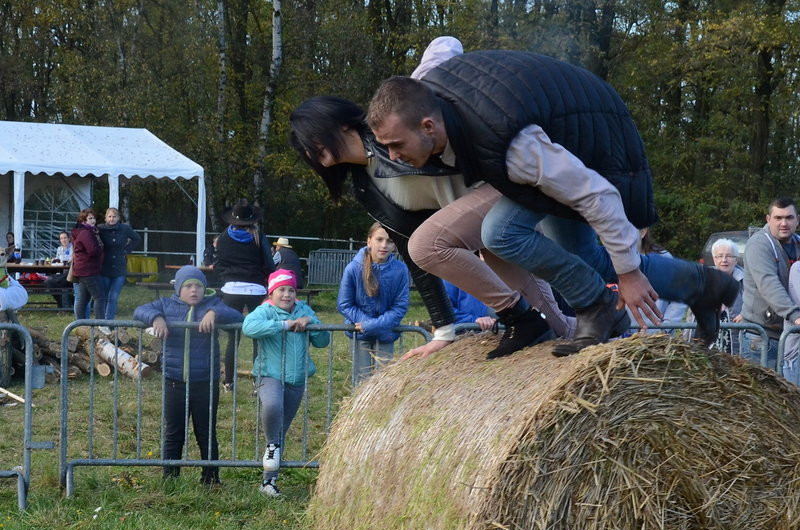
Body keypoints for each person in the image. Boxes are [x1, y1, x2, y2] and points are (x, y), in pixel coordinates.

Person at [366, 36, 737, 356]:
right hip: (561, 134)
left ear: (428, 126)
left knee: (500, 233)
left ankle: (596, 304)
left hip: (598, 142)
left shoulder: (513, 145)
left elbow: (597, 195)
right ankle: (707, 285)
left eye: (396, 145)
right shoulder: (425, 91)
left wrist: (630, 272)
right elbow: (445, 45)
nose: (393, 157)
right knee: (589, 257)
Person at [289, 95, 572, 361]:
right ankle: (604, 336)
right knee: (558, 324)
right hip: (479, 227)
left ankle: (518, 317)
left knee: (425, 244)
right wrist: (444, 331)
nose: (308, 149)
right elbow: (412, 254)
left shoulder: (392, 134)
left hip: (499, 192)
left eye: (311, 136)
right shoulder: (366, 187)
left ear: (340, 123)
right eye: (302, 146)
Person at [133, 266, 243, 485]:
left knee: (206, 433)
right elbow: (139, 310)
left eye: (198, 286)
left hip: (205, 382)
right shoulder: (165, 305)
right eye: (188, 286)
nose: (194, 291)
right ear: (178, 288)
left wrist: (215, 313)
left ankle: (211, 478)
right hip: (175, 382)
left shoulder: (213, 305)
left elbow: (237, 316)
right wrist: (156, 318)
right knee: (174, 433)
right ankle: (170, 479)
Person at [241, 269, 330, 497]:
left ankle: (268, 483)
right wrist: (285, 325)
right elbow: (248, 327)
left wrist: (310, 321)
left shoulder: (304, 310)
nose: (287, 294)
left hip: (296, 379)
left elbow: (323, 341)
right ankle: (271, 447)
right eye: (281, 289)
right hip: (269, 375)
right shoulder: (265, 310)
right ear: (272, 293)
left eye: (291, 290)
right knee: (272, 407)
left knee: (281, 428)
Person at [214, 199, 276, 391]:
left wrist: (225, 280)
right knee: (258, 335)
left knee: (233, 337)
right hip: (256, 289)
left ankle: (228, 382)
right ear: (252, 220)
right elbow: (268, 263)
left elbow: (219, 264)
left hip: (231, 289)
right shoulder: (258, 236)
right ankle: (258, 382)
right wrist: (268, 281)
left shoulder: (223, 238)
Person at [337, 223, 410, 384]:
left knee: (382, 383)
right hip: (359, 333)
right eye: (379, 239)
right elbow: (344, 303)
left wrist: (374, 325)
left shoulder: (401, 270)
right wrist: (366, 323)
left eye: (390, 241)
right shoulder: (353, 268)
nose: (384, 245)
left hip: (385, 333)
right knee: (361, 382)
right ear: (369, 241)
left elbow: (400, 306)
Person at [741, 197, 800, 370]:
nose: (784, 223)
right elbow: (769, 284)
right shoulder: (758, 245)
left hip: (791, 336)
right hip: (762, 338)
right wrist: (796, 316)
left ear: (797, 219)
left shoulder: (797, 243)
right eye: (778, 218)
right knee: (762, 395)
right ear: (768, 219)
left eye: (789, 218)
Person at [626, 228, 687, 336]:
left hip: (658, 340)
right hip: (623, 341)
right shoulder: (612, 259)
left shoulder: (663, 259)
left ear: (643, 232)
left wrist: (664, 328)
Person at [98, 208, 141, 320]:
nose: (112, 219)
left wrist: (126, 250)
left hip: (119, 267)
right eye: (109, 217)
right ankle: (101, 322)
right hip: (104, 267)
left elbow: (136, 239)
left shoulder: (124, 229)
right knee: (104, 296)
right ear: (106, 218)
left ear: (118, 218)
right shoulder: (100, 229)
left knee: (113, 297)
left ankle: (109, 322)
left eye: (114, 217)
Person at [71, 209, 105, 320]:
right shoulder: (86, 233)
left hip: (83, 269)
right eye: (90, 218)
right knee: (99, 297)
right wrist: (101, 249)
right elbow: (92, 251)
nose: (93, 220)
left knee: (84, 299)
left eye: (94, 218)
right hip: (88, 270)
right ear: (83, 220)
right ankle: (101, 324)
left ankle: (80, 324)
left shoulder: (89, 231)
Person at [43, 231, 75, 309]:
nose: (63, 240)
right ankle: (61, 302)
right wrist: (55, 260)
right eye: (61, 238)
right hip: (60, 272)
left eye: (65, 238)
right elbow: (58, 259)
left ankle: (63, 304)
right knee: (49, 282)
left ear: (69, 239)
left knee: (50, 282)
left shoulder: (73, 247)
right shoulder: (59, 248)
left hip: (70, 273)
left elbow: (71, 260)